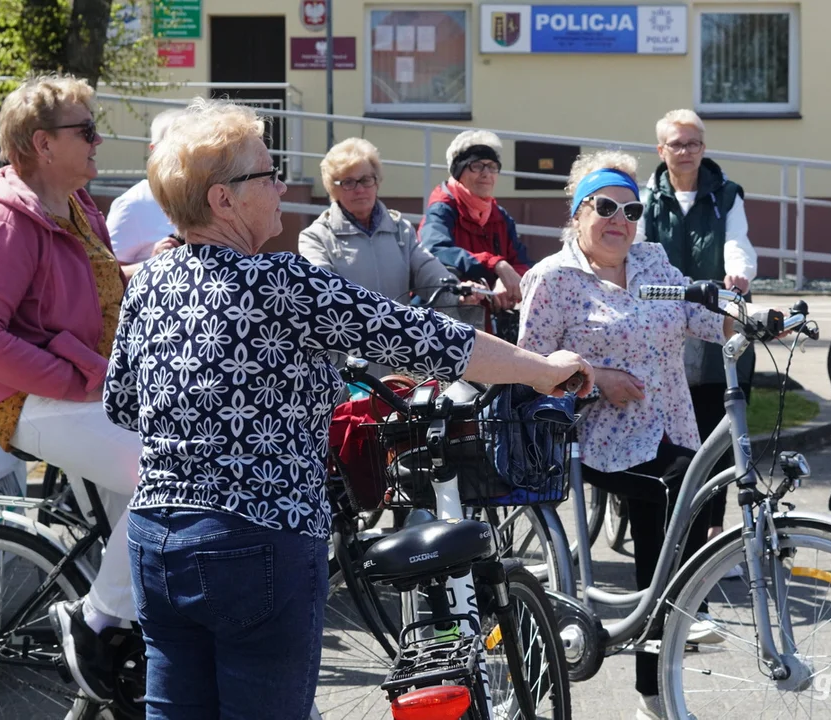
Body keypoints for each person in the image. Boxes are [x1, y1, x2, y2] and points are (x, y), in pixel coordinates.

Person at [103, 97, 594, 719]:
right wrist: (544, 370)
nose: (280, 185)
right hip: (258, 536)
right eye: (266, 174)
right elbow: (432, 340)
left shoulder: (149, 280)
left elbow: (121, 403)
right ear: (222, 199)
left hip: (157, 538)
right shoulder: (279, 281)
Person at [517, 150, 765, 720]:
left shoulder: (652, 262)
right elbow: (527, 365)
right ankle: (672, 622)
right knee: (681, 501)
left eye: (630, 210)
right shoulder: (553, 279)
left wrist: (752, 315)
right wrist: (595, 377)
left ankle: (655, 687)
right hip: (594, 438)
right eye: (605, 208)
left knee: (677, 525)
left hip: (671, 428)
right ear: (579, 214)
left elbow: (703, 319)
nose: (619, 221)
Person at [0, 74, 140, 703]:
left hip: (85, 383)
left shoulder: (78, 206)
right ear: (41, 143)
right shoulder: (7, 219)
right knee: (164, 474)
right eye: (84, 130)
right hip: (24, 395)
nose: (97, 139)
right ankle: (92, 622)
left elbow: (97, 288)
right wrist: (75, 376)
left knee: (149, 521)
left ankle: (134, 647)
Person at [638, 109, 758, 545]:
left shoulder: (725, 194)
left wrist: (738, 273)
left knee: (715, 429)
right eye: (676, 144)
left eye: (693, 143)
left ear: (704, 148)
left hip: (712, 323)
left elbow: (736, 241)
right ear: (661, 150)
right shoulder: (645, 197)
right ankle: (671, 525)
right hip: (662, 328)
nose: (686, 151)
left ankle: (712, 529)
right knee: (667, 433)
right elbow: (636, 250)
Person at [299, 137, 483, 365]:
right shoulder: (316, 237)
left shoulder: (400, 229)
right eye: (348, 182)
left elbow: (427, 268)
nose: (360, 189)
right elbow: (321, 293)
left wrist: (457, 292)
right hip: (347, 368)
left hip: (397, 359)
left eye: (366, 179)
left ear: (377, 182)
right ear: (333, 189)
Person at [418, 130, 531, 312]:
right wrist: (496, 265)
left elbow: (522, 262)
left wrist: (507, 280)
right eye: (477, 166)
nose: (487, 174)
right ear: (458, 171)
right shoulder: (443, 209)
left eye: (492, 166)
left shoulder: (499, 216)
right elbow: (434, 250)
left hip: (489, 317)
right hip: (448, 315)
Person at [105, 108, 185, 266]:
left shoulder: (208, 197)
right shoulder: (132, 205)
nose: (184, 154)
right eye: (174, 145)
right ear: (153, 151)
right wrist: (154, 265)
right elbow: (107, 278)